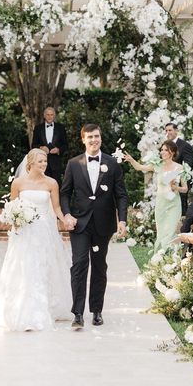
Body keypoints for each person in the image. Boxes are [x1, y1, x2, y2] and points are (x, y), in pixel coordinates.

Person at [0, 148, 72, 331]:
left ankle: (46, 306)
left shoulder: (52, 183)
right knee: (25, 268)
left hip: (44, 231)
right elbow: (13, 207)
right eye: (40, 161)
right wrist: (15, 222)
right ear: (30, 163)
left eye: (45, 161)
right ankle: (23, 307)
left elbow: (56, 208)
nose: (44, 164)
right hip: (25, 232)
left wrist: (65, 220)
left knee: (44, 266)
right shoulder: (18, 183)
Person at [61, 124, 128, 329]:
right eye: (89, 137)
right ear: (83, 139)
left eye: (97, 136)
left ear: (101, 137)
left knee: (99, 267)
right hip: (79, 223)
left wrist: (122, 220)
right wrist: (66, 215)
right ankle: (78, 313)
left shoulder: (112, 164)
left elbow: (121, 194)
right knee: (79, 265)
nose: (94, 140)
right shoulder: (73, 164)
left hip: (103, 224)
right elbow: (65, 192)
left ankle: (97, 311)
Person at [125, 140, 187, 255]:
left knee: (171, 229)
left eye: (165, 150)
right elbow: (140, 168)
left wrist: (175, 187)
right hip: (161, 203)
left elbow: (185, 188)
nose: (162, 152)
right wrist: (131, 160)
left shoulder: (179, 168)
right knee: (161, 230)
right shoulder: (157, 165)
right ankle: (160, 255)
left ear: (172, 152)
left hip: (174, 204)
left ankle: (170, 255)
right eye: (162, 150)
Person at [31, 107, 68, 185]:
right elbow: (33, 145)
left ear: (54, 116)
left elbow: (65, 145)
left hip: (56, 164)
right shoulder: (38, 128)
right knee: (42, 186)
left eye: (51, 115)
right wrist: (41, 148)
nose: (49, 117)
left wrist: (58, 150)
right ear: (44, 116)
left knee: (56, 186)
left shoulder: (61, 128)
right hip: (41, 164)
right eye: (47, 115)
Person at [165, 122, 193, 214]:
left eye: (170, 130)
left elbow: (188, 165)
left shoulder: (185, 146)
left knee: (180, 208)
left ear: (176, 131)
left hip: (180, 183)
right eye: (166, 131)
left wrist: (175, 175)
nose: (168, 132)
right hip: (166, 181)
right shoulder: (165, 145)